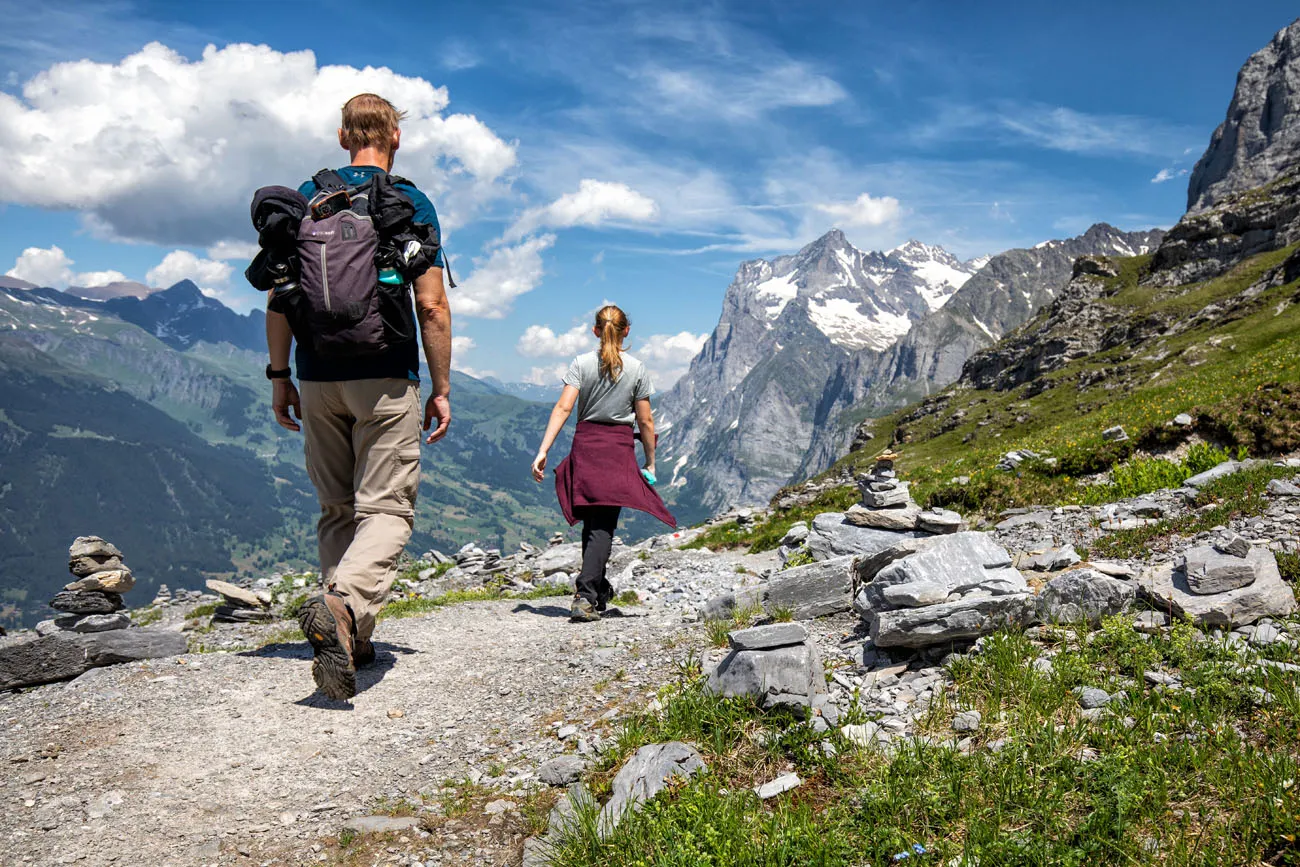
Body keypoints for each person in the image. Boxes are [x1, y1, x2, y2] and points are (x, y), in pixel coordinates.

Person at [266, 93, 452, 700]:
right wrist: (441, 387)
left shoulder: (307, 196)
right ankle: (344, 607)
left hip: (316, 376)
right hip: (385, 375)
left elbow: (279, 296)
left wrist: (279, 376)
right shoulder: (408, 202)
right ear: (395, 136)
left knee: (337, 509)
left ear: (344, 137)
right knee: (388, 510)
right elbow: (431, 304)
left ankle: (349, 635)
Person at [531, 305, 676, 622]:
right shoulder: (637, 368)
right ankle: (585, 595)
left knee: (594, 522)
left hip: (585, 446)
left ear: (595, 331)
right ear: (627, 331)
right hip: (617, 450)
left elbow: (563, 408)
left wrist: (543, 449)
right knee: (603, 525)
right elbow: (646, 420)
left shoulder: (581, 364)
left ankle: (597, 590)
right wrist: (650, 462)